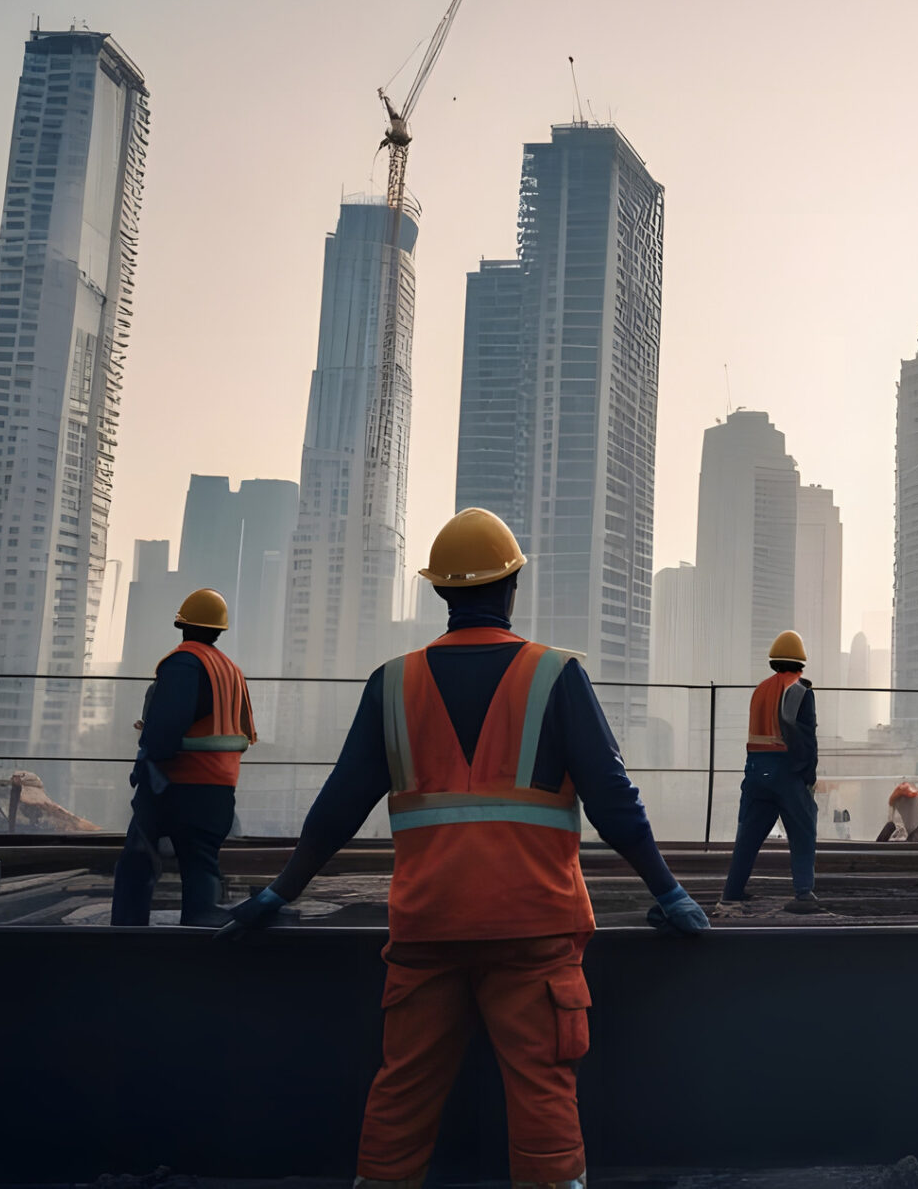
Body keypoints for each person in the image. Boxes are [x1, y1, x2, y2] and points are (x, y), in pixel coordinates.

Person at [223, 508, 707, 1189]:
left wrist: (280, 890)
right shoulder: (556, 674)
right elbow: (613, 800)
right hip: (533, 926)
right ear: (512, 584)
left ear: (441, 592)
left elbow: (338, 807)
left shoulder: (393, 682)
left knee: (404, 1088)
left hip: (429, 926)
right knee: (542, 1086)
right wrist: (668, 890)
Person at [111, 588, 255, 926]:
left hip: (175, 784)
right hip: (219, 789)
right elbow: (240, 731)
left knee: (138, 861)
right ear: (221, 630)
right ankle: (199, 933)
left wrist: (145, 766)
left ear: (181, 624)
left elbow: (166, 730)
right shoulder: (230, 670)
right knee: (201, 865)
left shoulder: (183, 663)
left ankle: (124, 940)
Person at [722, 630, 823, 913]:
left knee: (749, 836)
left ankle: (731, 894)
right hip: (785, 769)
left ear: (774, 661)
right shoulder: (800, 689)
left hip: (755, 768)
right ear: (800, 662)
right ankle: (803, 894)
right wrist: (808, 775)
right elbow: (804, 735)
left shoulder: (760, 690)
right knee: (803, 829)